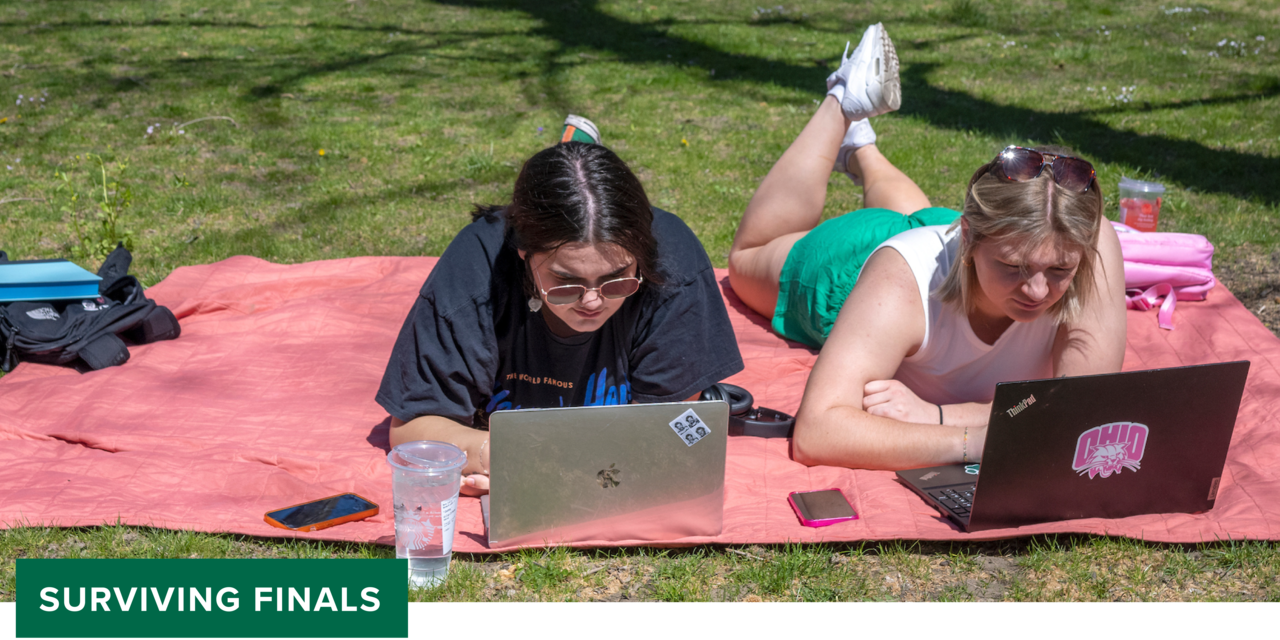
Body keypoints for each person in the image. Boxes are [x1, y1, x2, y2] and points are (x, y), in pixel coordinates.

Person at [727, 24, 1127, 471]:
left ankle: (862, 148)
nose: (1036, 291)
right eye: (1014, 268)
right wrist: (974, 441)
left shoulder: (1086, 240)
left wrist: (939, 417)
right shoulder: (898, 283)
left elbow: (1080, 410)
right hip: (853, 267)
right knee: (747, 259)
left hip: (935, 233)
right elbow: (817, 433)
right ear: (970, 238)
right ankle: (843, 103)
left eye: (1058, 272)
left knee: (915, 218)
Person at [378, 116, 745, 495]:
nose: (592, 301)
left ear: (641, 258)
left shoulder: (672, 263)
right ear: (523, 251)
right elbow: (412, 427)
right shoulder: (475, 271)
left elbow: (675, 423)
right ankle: (572, 160)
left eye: (616, 280)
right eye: (566, 283)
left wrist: (536, 464)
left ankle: (575, 159)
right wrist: (496, 456)